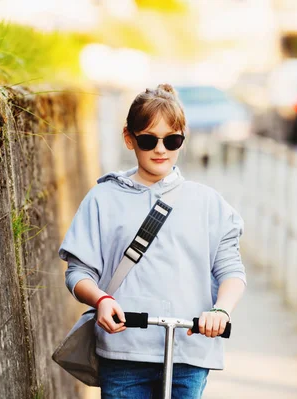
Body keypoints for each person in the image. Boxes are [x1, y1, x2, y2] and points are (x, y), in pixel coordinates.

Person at [59, 83, 246, 398]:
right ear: (129, 138)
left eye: (171, 140)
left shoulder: (208, 203)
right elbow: (78, 273)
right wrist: (101, 300)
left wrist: (221, 311)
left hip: (189, 354)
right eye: (148, 140)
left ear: (182, 140)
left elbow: (231, 271)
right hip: (124, 354)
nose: (161, 150)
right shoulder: (103, 198)